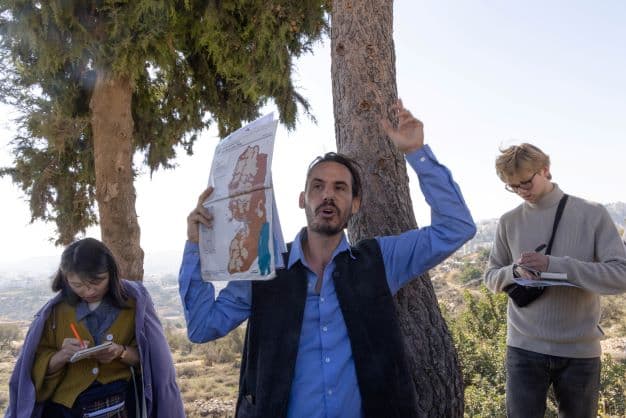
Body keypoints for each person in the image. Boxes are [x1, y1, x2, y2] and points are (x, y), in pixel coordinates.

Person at [179, 99, 476, 418]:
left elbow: (456, 228)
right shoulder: (264, 269)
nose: (328, 195)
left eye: (340, 188)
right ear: (302, 200)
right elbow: (202, 327)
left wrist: (417, 152)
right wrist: (196, 246)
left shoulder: (380, 261)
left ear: (356, 203)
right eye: (317, 187)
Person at [483, 143, 626, 418]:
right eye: (513, 187)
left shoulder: (592, 214)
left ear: (545, 170)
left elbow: (620, 276)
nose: (522, 191)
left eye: (526, 182)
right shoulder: (508, 222)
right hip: (523, 349)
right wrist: (514, 271)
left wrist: (557, 266)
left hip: (579, 351)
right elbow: (490, 277)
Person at [6, 238, 185, 418]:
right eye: (77, 285)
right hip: (66, 410)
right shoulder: (55, 313)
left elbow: (151, 360)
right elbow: (32, 371)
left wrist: (121, 352)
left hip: (120, 405)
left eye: (97, 282)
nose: (89, 291)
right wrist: (61, 356)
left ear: (111, 273)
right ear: (65, 278)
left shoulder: (133, 305)